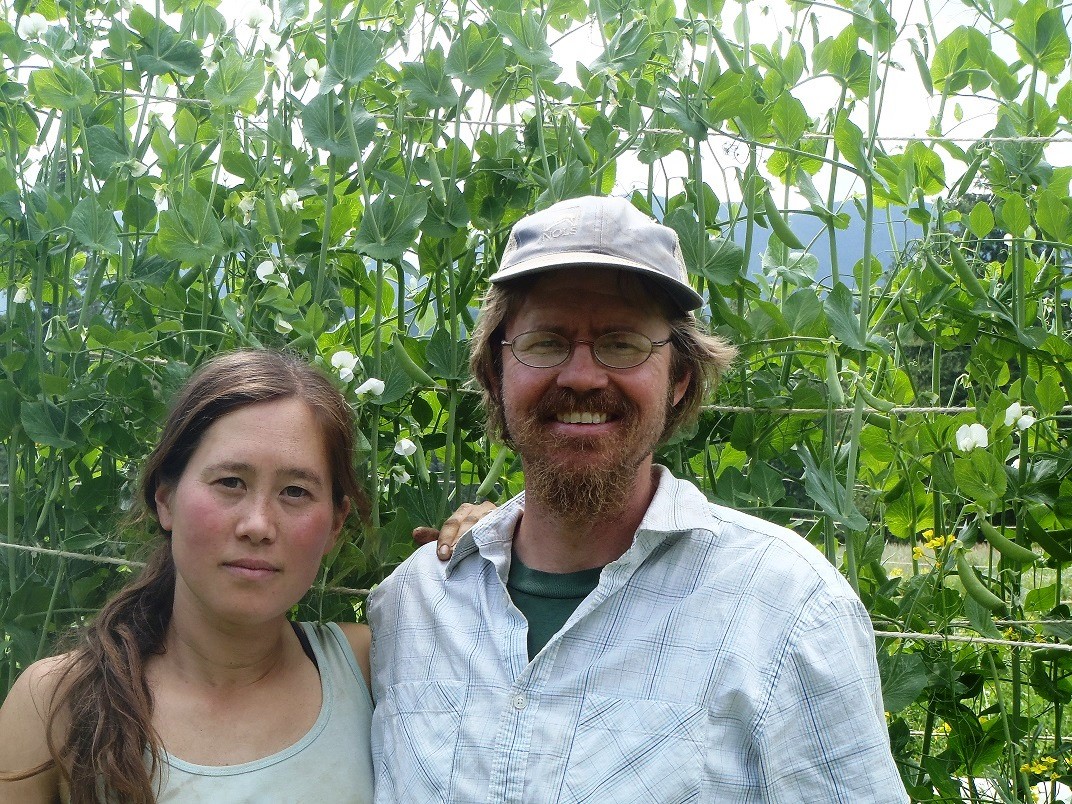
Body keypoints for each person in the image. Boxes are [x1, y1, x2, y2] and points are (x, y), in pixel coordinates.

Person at [369, 195, 910, 802]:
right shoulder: (411, 607)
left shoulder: (788, 608)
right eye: (545, 342)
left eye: (623, 344)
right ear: (496, 374)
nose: (581, 376)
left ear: (680, 379)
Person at [0, 349, 480, 804]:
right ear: (165, 499)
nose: (258, 525)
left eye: (295, 491)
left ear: (335, 524)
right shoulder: (59, 701)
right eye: (230, 482)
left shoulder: (380, 667)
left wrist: (502, 543)